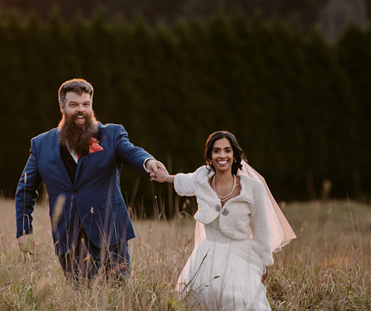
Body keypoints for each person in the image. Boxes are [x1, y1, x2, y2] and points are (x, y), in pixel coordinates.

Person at [15, 78, 168, 282]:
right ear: (61, 106)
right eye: (74, 105)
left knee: (117, 296)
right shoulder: (40, 144)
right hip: (68, 240)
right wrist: (24, 230)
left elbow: (131, 152)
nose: (81, 110)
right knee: (80, 300)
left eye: (86, 104)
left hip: (110, 235)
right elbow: (25, 189)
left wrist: (149, 162)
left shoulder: (111, 134)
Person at [151, 130, 293, 310]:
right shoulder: (202, 178)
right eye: (216, 151)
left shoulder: (252, 187)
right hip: (207, 254)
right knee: (201, 298)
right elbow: (186, 181)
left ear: (234, 155)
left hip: (241, 255)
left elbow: (261, 229)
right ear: (210, 156)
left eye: (227, 150)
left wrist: (266, 262)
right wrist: (165, 177)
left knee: (240, 300)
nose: (222, 155)